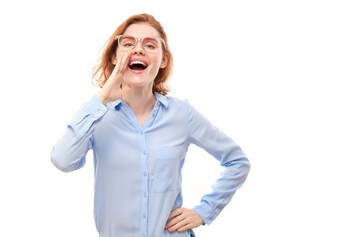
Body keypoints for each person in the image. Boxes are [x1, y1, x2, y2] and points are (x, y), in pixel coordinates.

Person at [51, 13, 250, 237]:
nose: (138, 50)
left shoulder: (181, 114)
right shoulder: (97, 116)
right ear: (115, 57)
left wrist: (205, 211)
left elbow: (237, 161)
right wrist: (103, 97)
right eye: (128, 43)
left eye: (149, 44)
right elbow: (62, 160)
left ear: (163, 60)